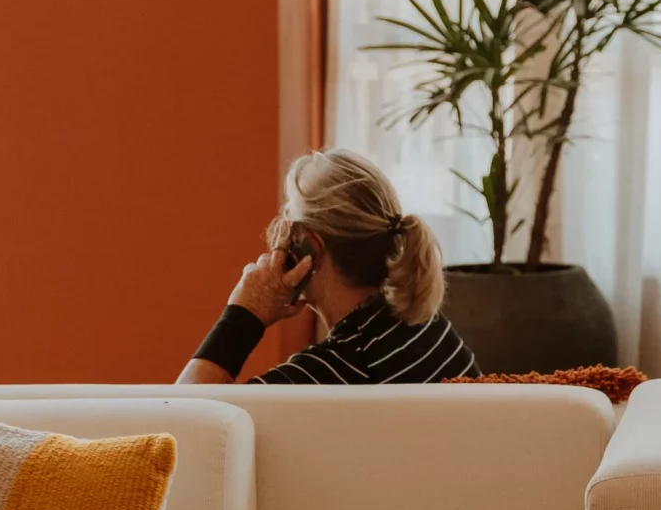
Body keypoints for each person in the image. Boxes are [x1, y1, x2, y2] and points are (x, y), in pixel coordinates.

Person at [179, 150, 479, 385]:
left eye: (287, 218)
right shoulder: (425, 327)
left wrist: (244, 314)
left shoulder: (339, 370)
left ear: (310, 246)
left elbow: (185, 428)